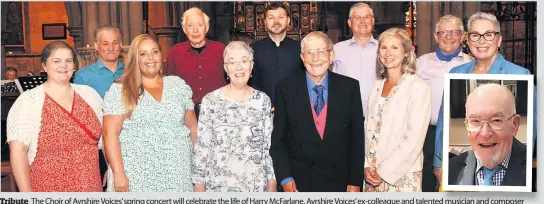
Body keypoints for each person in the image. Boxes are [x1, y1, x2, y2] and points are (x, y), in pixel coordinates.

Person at [434, 12, 536, 181]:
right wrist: (439, 162)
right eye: (475, 35)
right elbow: (443, 123)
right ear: (467, 40)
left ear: (499, 40)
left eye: (488, 35)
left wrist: (520, 168)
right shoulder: (456, 73)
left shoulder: (520, 73)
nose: (481, 41)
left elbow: (532, 130)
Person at [270, 31, 365, 192]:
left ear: (331, 55)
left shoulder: (350, 87)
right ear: (302, 57)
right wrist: (285, 177)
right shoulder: (285, 88)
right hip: (299, 182)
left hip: (340, 181)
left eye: (321, 51)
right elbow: (278, 141)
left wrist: (355, 181)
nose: (315, 58)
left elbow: (357, 140)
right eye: (309, 52)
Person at [102, 34, 197, 192]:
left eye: (155, 52)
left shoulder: (178, 85)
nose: (151, 58)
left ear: (161, 55)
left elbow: (193, 129)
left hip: (178, 173)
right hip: (136, 175)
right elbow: (109, 133)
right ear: (135, 58)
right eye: (143, 53)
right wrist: (118, 173)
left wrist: (199, 170)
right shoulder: (121, 89)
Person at [7, 41, 103, 192]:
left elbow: (106, 137)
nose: (63, 66)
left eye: (68, 61)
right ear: (44, 66)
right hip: (48, 188)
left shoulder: (90, 95)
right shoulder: (28, 101)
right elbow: (18, 152)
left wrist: (112, 169)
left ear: (74, 66)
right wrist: (27, 196)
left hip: (90, 186)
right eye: (56, 61)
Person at [192, 41, 276, 192]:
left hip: (255, 186)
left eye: (244, 61)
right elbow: (202, 147)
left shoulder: (263, 101)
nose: (239, 68)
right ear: (225, 68)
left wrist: (272, 182)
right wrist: (199, 184)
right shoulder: (211, 101)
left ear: (251, 66)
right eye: (232, 62)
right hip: (219, 186)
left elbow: (268, 147)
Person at [364, 28, 431, 192]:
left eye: (394, 48)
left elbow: (414, 140)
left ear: (406, 52)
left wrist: (384, 171)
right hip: (372, 173)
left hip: (401, 174)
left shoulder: (418, 87)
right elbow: (368, 129)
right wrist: (366, 165)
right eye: (383, 47)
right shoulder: (377, 85)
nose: (388, 53)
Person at [415, 15, 472, 191]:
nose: (448, 37)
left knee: (458, 181)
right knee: (426, 182)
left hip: (459, 133)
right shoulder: (422, 62)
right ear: (435, 36)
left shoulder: (471, 63)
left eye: (454, 32)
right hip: (427, 134)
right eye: (443, 33)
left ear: (463, 37)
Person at [72, 25, 125, 190]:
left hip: (128, 140)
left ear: (121, 44)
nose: (111, 48)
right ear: (96, 46)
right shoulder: (83, 75)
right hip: (97, 144)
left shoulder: (131, 72)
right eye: (105, 43)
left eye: (115, 43)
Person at [449, 84, 526, 186]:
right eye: (475, 121)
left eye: (496, 121)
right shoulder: (451, 169)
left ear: (515, 124)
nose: (485, 133)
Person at [165, 7, 226, 118]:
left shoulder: (221, 50)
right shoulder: (175, 52)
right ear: (184, 29)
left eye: (199, 25)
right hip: (186, 114)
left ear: (206, 28)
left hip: (217, 113)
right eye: (190, 26)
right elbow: (169, 87)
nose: (195, 30)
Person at [251, 2, 304, 104]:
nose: (276, 22)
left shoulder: (300, 48)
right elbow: (253, 82)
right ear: (265, 22)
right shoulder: (254, 48)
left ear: (288, 20)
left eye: (281, 17)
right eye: (271, 18)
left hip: (295, 107)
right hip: (264, 108)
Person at [333, 3, 378, 118]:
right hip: (346, 115)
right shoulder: (337, 49)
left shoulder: (384, 49)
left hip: (377, 115)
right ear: (349, 23)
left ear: (372, 21)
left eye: (366, 17)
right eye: (357, 18)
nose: (362, 21)